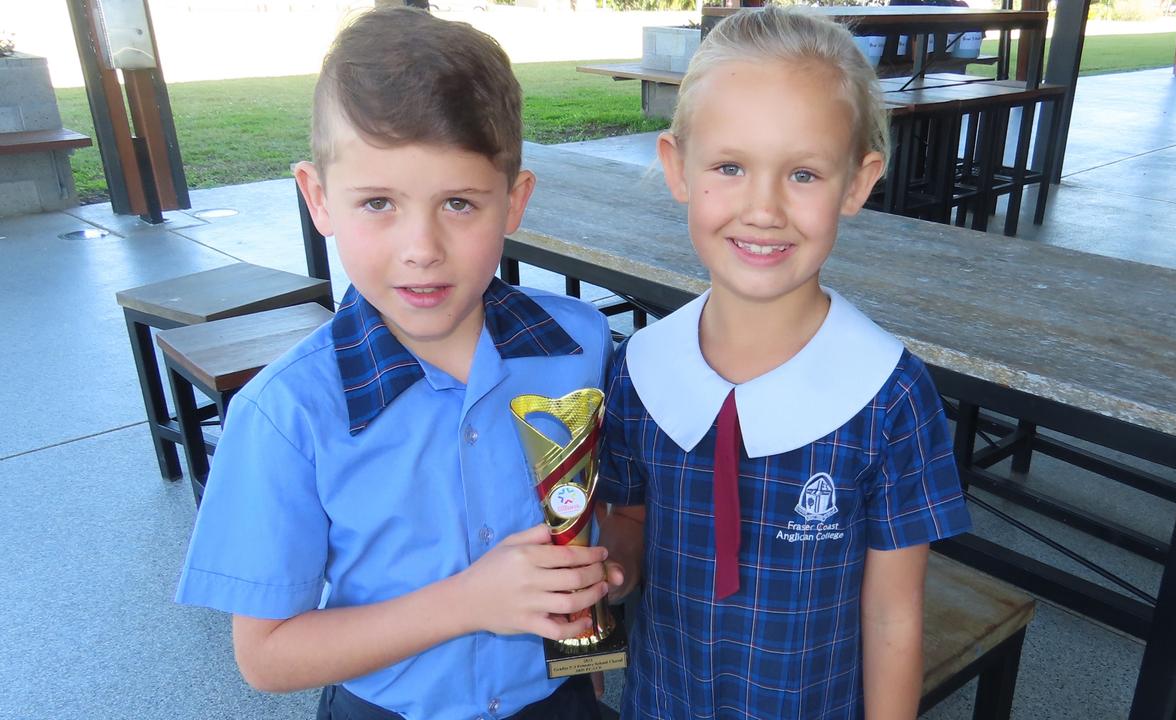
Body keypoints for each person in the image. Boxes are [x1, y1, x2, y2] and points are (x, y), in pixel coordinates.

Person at [175, 7, 615, 720]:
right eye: (377, 202)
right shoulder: (286, 414)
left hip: (558, 700)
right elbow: (265, 656)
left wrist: (591, 640)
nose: (421, 247)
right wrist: (470, 602)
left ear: (514, 201)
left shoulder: (579, 346)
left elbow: (584, 528)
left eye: (458, 203)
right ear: (318, 198)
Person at [597, 7, 972, 719]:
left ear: (857, 184)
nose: (763, 208)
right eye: (730, 166)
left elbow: (893, 618)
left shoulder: (888, 398)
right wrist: (602, 569)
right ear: (677, 168)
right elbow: (632, 526)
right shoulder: (637, 373)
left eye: (802, 173)